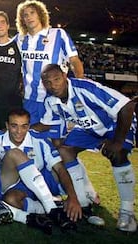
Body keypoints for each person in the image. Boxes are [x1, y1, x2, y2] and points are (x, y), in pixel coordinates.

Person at [35, 64, 136, 233]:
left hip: (114, 125)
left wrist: (117, 141)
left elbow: (127, 106)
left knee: (117, 154)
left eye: (57, 79)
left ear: (65, 77)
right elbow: (45, 124)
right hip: (88, 129)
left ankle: (127, 212)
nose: (53, 85)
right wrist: (16, 128)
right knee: (64, 149)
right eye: (48, 82)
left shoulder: (86, 88)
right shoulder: (50, 100)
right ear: (44, 84)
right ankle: (83, 201)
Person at [15, 0, 84, 138]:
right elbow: (2, 44)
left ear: (40, 14)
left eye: (32, 13)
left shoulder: (58, 34)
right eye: (25, 15)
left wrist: (79, 84)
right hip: (30, 100)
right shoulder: (20, 39)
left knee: (56, 141)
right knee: (30, 139)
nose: (29, 17)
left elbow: (74, 60)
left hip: (54, 98)